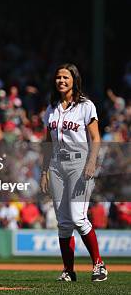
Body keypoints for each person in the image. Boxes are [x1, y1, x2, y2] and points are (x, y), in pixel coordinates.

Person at [40, 63, 107, 282]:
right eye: (58, 77)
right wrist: (43, 172)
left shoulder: (85, 106)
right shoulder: (51, 108)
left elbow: (96, 138)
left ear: (74, 80)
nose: (61, 81)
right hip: (56, 166)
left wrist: (92, 162)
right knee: (63, 222)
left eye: (66, 77)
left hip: (79, 163)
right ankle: (68, 270)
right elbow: (47, 143)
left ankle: (98, 265)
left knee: (78, 217)